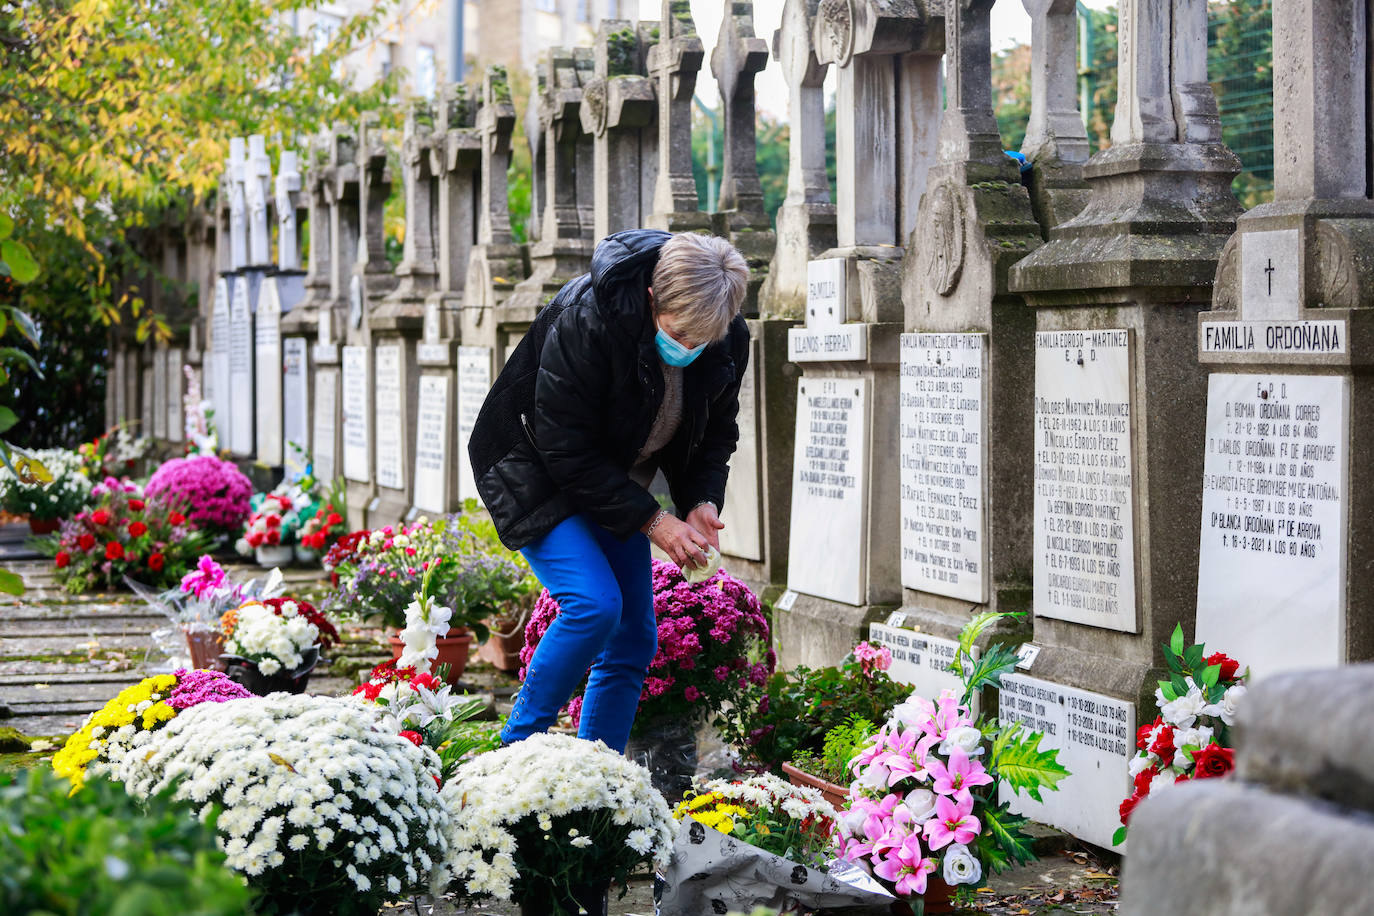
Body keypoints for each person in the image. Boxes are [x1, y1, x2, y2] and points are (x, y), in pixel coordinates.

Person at [468, 229, 750, 753]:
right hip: (536, 467)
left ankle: (602, 776)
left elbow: (716, 431)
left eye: (702, 341)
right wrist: (655, 521)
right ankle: (508, 758)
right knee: (593, 605)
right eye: (680, 333)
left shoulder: (724, 334)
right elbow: (563, 446)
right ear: (650, 298)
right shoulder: (588, 317)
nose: (688, 348)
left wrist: (701, 501)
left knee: (635, 638)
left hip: (616, 480)